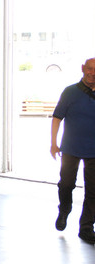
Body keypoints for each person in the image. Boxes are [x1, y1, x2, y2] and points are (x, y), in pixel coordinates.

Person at [51, 57, 95, 244]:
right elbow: (57, 117)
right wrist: (53, 143)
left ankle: (86, 228)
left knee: (93, 191)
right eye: (90, 69)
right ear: (83, 69)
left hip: (94, 150)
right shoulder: (70, 92)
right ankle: (65, 209)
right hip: (70, 147)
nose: (92, 73)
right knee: (66, 183)